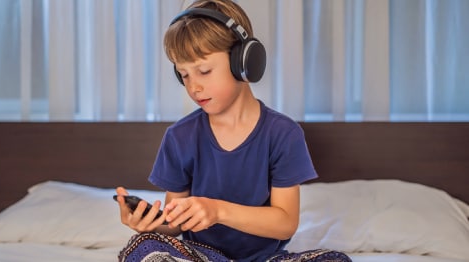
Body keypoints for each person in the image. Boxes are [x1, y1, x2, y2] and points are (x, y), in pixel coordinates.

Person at [115, 1, 352, 261]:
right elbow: (175, 224)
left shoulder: (283, 133)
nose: (193, 87)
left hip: (266, 259)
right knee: (144, 245)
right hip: (201, 256)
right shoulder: (179, 137)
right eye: (184, 75)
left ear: (244, 61)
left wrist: (217, 210)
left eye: (204, 71)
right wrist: (148, 223)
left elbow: (285, 222)